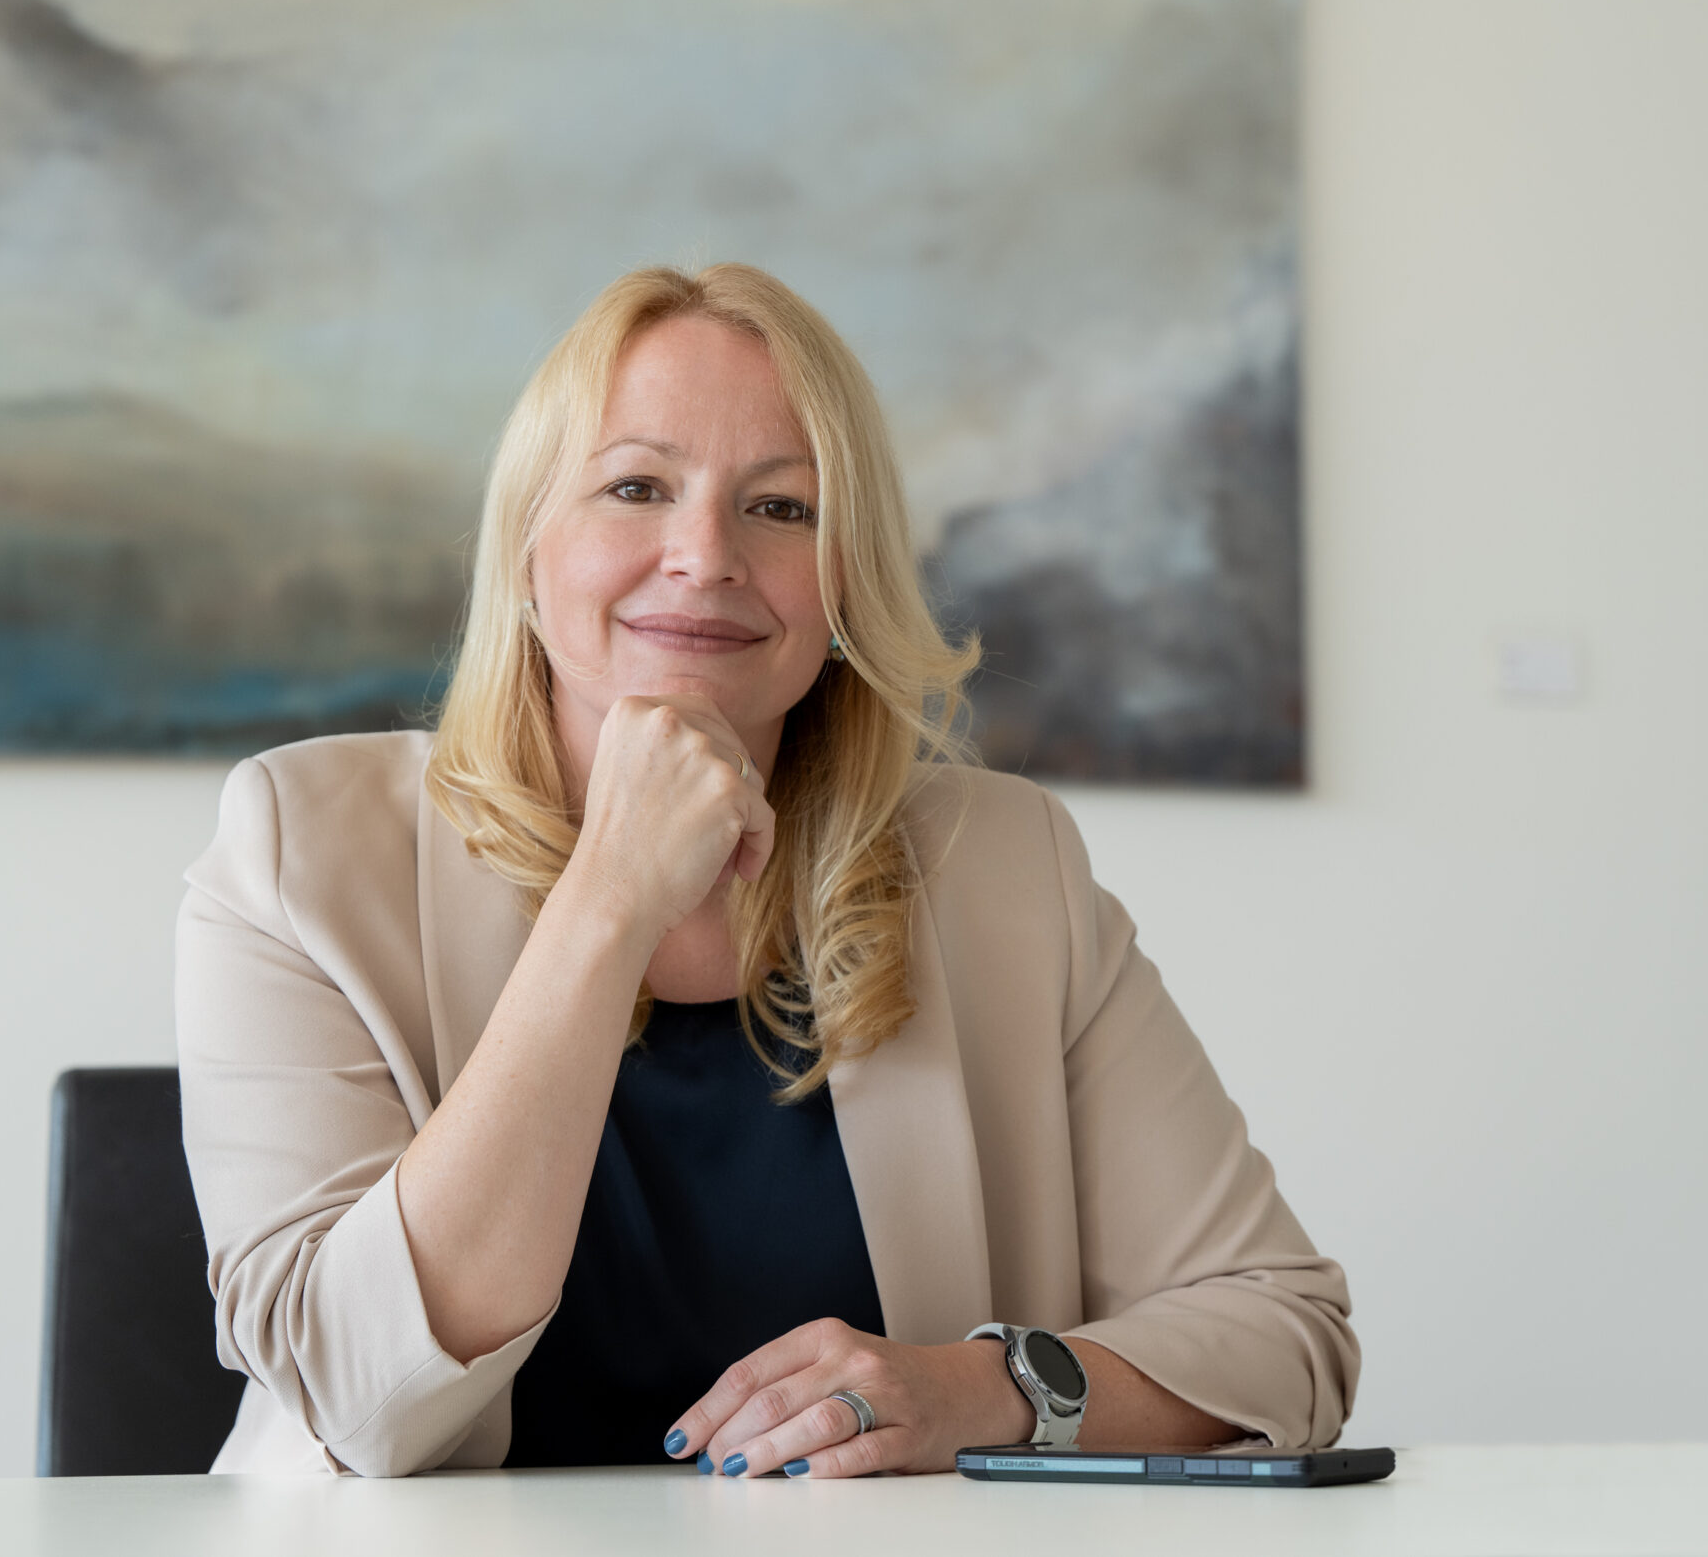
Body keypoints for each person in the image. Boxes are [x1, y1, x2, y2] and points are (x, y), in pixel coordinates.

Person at [174, 264, 1358, 1478]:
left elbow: (1285, 1336)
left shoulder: (1006, 867)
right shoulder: (301, 848)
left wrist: (973, 1389)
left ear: (846, 578)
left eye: (782, 507)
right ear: (527, 549)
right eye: (636, 486)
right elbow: (355, 1397)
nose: (704, 555)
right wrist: (612, 893)